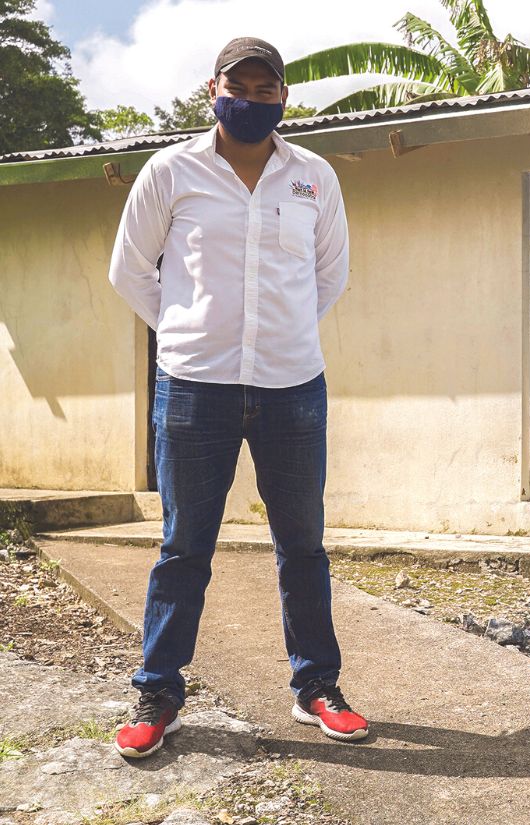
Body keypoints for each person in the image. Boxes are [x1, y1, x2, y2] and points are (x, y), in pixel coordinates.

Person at [108, 37, 367, 758]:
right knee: (184, 545)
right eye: (239, 86)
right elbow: (131, 270)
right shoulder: (171, 171)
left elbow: (330, 275)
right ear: (212, 88)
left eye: (265, 89)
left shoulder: (314, 177)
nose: (250, 100)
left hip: (293, 388)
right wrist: (189, 330)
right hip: (195, 388)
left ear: (283, 96)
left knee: (302, 545)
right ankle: (158, 690)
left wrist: (273, 334)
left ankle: (317, 685)